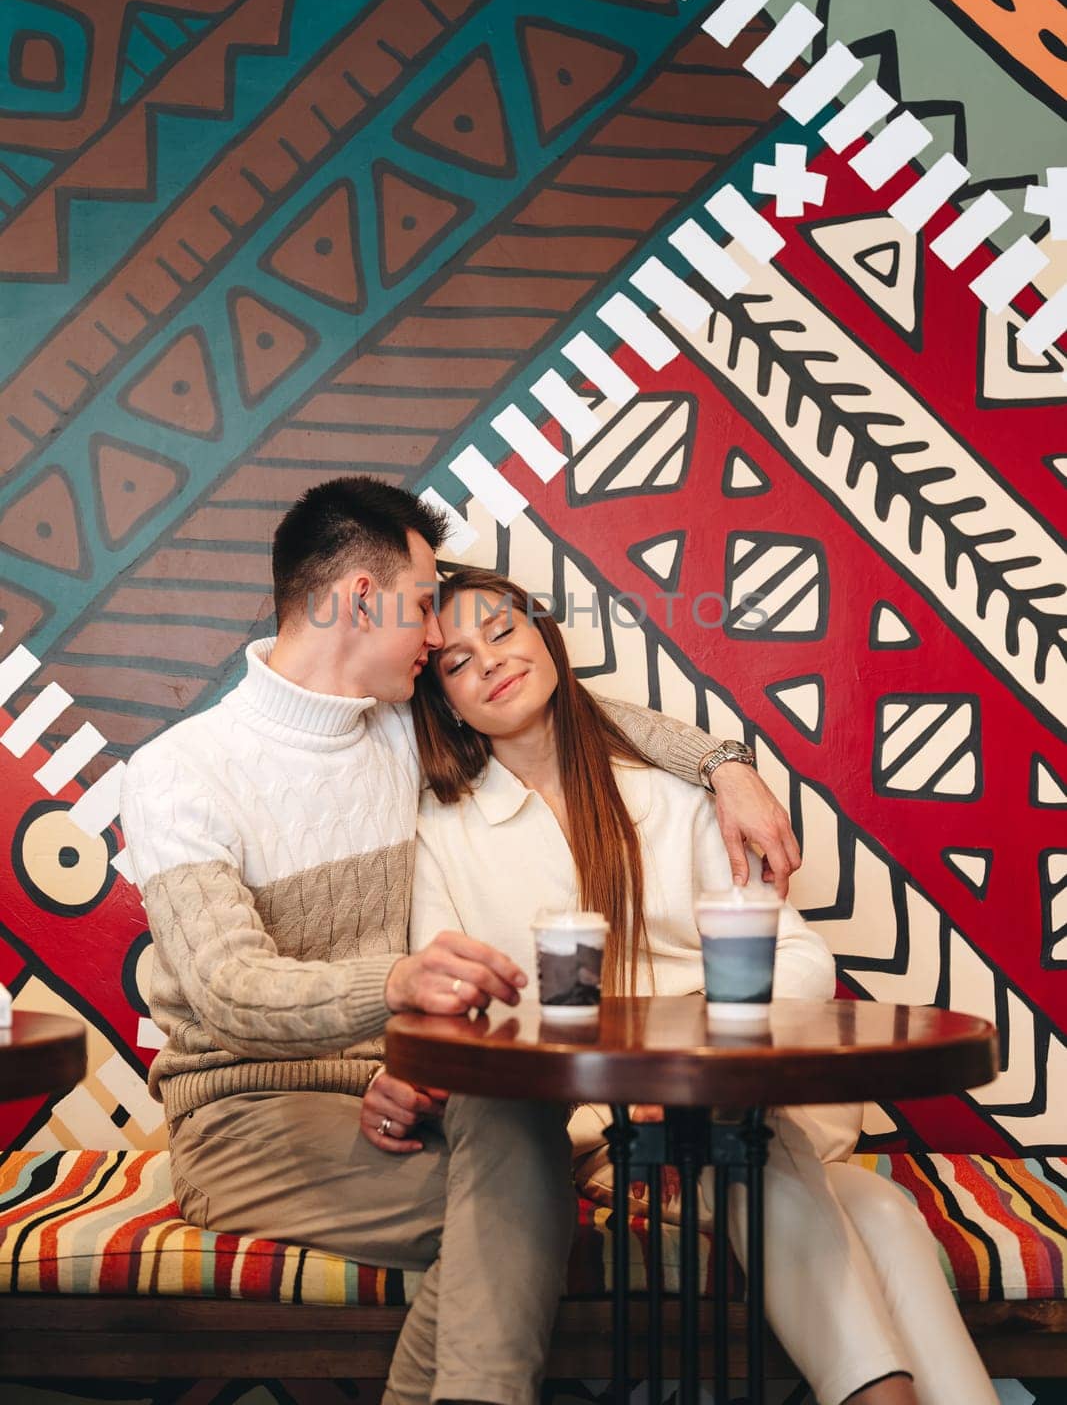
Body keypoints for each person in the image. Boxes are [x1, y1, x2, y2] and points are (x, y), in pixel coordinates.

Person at [119, 475, 802, 1405]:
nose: (439, 635)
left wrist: (725, 767)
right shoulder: (178, 774)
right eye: (423, 596)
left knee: (521, 1126)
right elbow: (231, 989)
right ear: (364, 597)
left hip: (411, 1093)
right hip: (248, 1115)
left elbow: (567, 714)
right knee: (522, 1202)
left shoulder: (393, 727)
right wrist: (396, 984)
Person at [390, 566, 998, 1405]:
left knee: (733, 1118)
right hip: (593, 1124)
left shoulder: (673, 797)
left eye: (504, 630)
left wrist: (700, 1047)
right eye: (456, 662)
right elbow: (451, 999)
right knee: (879, 1212)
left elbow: (796, 956)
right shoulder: (444, 831)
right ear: (447, 702)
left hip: (742, 1085)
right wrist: (636, 1080)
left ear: (546, 640)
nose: (490, 660)